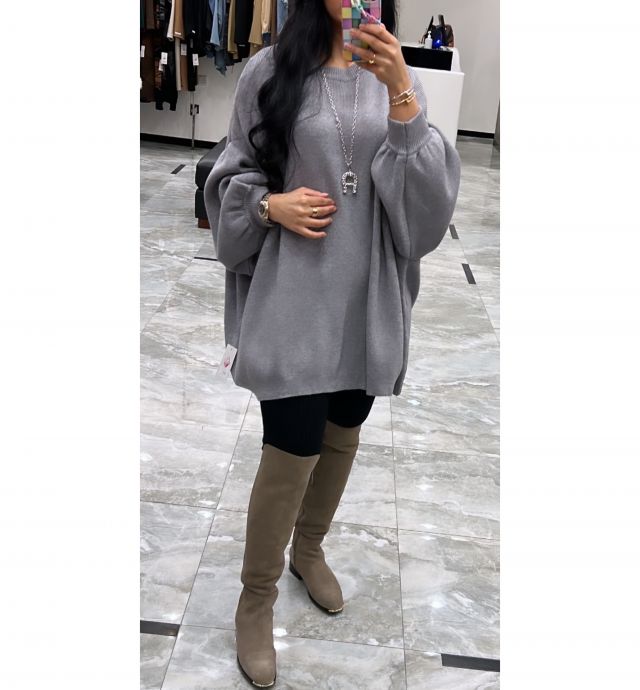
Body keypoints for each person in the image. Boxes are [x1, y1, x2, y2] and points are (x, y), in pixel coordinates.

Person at [204, 0, 461, 685]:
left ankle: (309, 550)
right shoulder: (270, 70)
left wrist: (401, 91)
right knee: (291, 445)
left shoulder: (397, 74)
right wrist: (268, 206)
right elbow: (232, 172)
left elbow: (423, 219)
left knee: (345, 427)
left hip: (367, 298)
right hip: (294, 293)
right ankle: (256, 599)